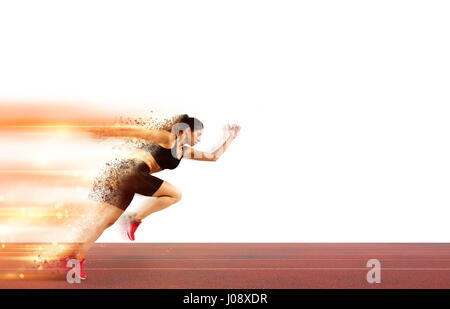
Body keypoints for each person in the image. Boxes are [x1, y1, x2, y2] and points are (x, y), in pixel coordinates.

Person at [66, 114, 240, 279]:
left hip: (129, 179)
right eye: (199, 134)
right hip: (130, 173)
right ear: (187, 130)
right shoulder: (168, 139)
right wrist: (105, 133)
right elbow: (136, 132)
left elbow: (213, 157)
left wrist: (231, 137)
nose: (200, 139)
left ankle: (75, 257)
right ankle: (134, 218)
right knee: (175, 194)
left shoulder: (183, 151)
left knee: (106, 221)